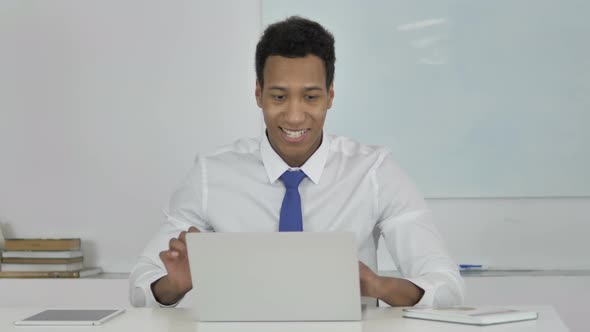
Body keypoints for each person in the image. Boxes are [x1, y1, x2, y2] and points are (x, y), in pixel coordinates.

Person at [129, 16, 465, 308]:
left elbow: (447, 286)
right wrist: (174, 285)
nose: (293, 115)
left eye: (310, 96)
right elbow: (141, 284)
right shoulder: (211, 174)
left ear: (330, 95)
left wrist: (377, 286)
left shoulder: (374, 172)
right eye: (278, 96)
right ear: (258, 93)